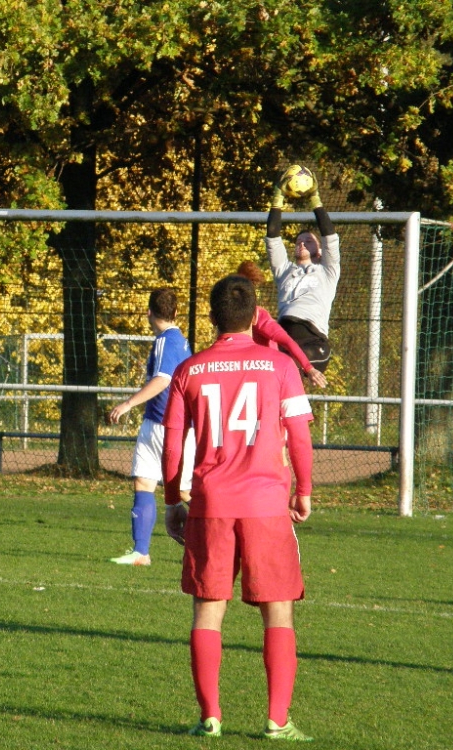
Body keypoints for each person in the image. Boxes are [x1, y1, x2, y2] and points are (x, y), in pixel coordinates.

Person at [162, 274, 315, 741]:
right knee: (278, 611)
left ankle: (210, 717)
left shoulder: (189, 370)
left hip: (211, 506)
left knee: (208, 611)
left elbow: (172, 444)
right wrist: (303, 490)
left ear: (212, 318)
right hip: (267, 504)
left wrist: (173, 500)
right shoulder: (281, 366)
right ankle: (277, 720)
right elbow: (300, 436)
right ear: (256, 317)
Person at [107, 288, 194, 566]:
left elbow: (163, 379)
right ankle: (140, 552)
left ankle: (220, 539)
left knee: (183, 490)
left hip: (168, 425)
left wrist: (128, 404)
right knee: (143, 481)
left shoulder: (167, 341)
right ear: (176, 312)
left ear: (148, 313)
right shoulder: (177, 340)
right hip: (157, 422)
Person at [266, 167, 340, 373]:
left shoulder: (327, 271)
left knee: (292, 362)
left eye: (308, 240)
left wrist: (315, 198)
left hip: (312, 341)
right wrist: (278, 196)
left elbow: (330, 237)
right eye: (299, 241)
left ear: (319, 250)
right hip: (283, 338)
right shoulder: (284, 271)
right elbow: (272, 237)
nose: (302, 243)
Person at [235, 261, 328, 389]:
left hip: (270, 375)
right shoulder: (229, 320)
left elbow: (287, 341)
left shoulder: (259, 317)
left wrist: (309, 368)